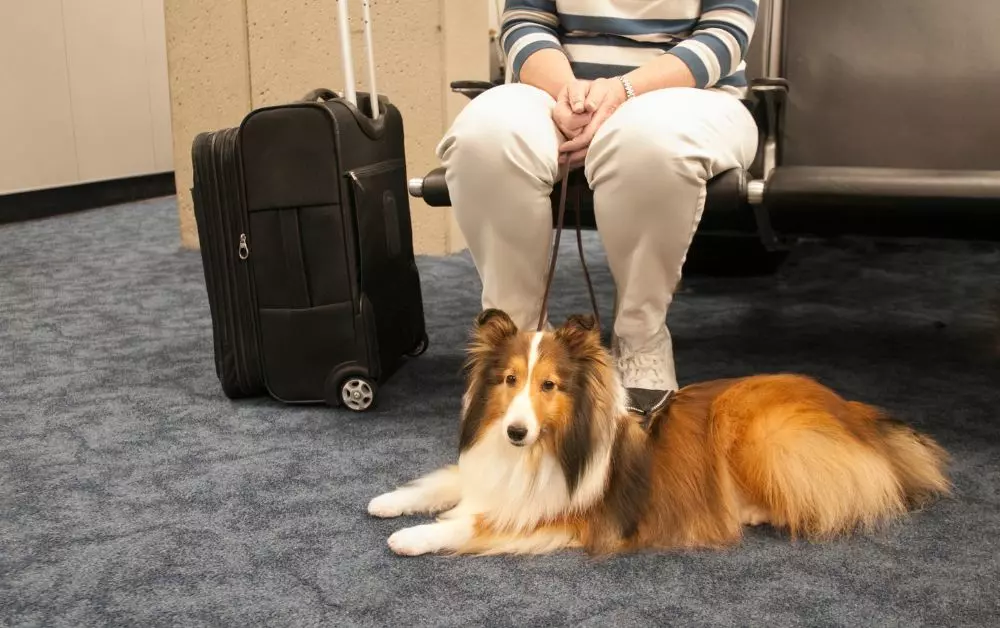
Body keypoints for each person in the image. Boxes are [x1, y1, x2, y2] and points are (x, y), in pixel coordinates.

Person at [436, 0, 760, 415]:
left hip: (691, 94)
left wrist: (621, 92)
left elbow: (724, 36)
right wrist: (572, 95)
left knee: (648, 145)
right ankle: (517, 343)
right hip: (555, 88)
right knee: (484, 140)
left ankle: (641, 338)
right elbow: (525, 20)